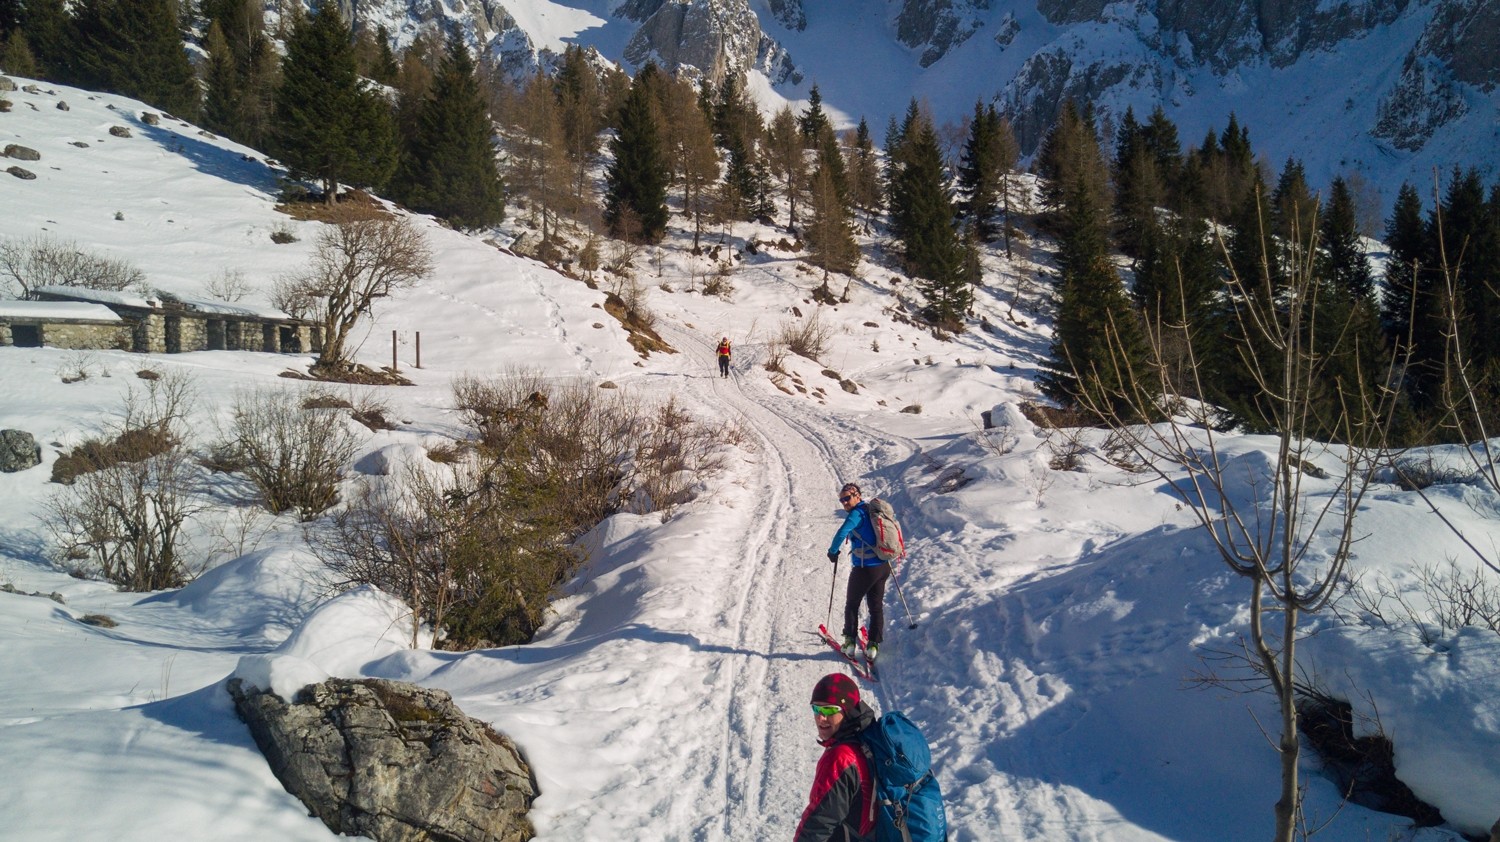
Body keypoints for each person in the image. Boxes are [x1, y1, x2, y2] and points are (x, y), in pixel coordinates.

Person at [794, 673, 876, 842]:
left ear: (847, 711)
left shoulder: (842, 757)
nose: (821, 717)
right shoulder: (867, 739)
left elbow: (819, 823)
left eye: (829, 710)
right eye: (816, 709)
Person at [827, 482, 890, 662]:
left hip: (865, 569)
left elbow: (841, 533)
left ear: (858, 496)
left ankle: (850, 643)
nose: (845, 502)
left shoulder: (856, 514)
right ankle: (873, 645)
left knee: (852, 603)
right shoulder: (872, 510)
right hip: (882, 566)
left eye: (847, 498)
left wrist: (832, 552)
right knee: (875, 605)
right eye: (842, 500)